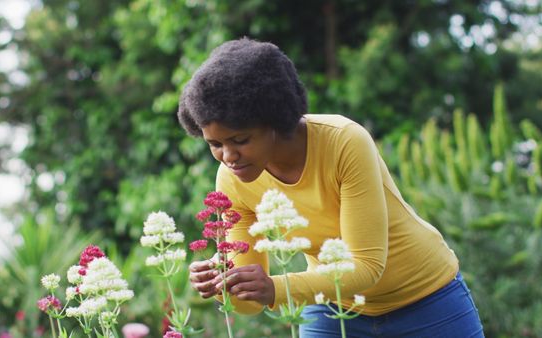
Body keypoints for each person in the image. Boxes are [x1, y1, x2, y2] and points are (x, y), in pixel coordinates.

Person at [178, 37, 484, 337]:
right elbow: (251, 306)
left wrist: (275, 288)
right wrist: (224, 285)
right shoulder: (232, 179)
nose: (228, 156)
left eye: (240, 140)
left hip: (427, 300)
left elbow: (366, 266)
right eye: (215, 144)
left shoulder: (344, 141)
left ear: (275, 118)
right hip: (331, 303)